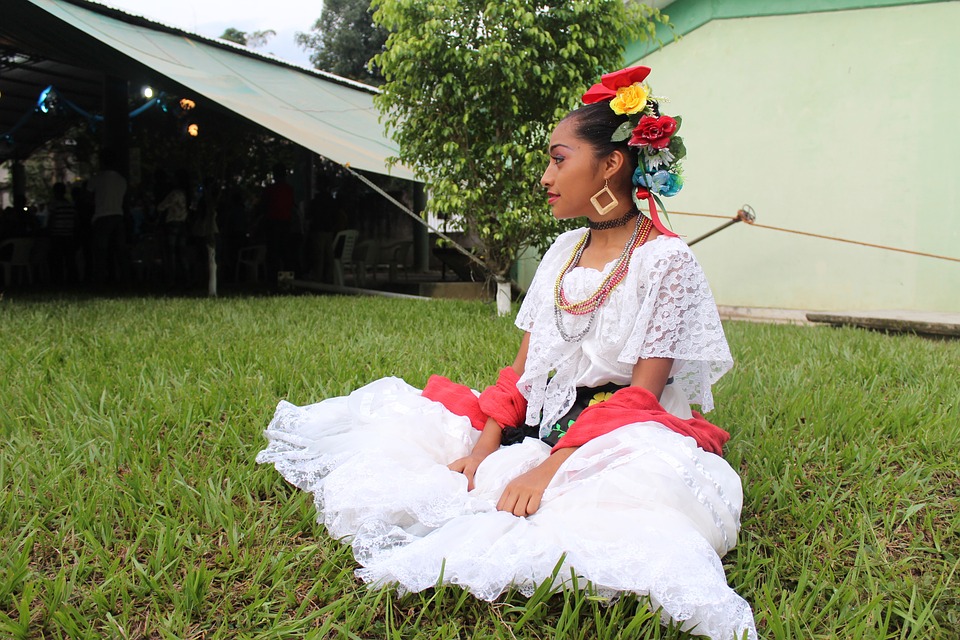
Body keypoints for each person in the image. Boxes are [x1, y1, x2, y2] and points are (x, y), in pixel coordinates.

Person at [257, 66, 757, 640]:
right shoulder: (564, 250)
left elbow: (642, 395)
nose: (546, 176)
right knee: (433, 450)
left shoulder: (664, 261)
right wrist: (485, 446)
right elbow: (523, 370)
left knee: (632, 501)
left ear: (612, 163)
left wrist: (547, 468)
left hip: (617, 430)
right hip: (544, 415)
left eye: (559, 159)